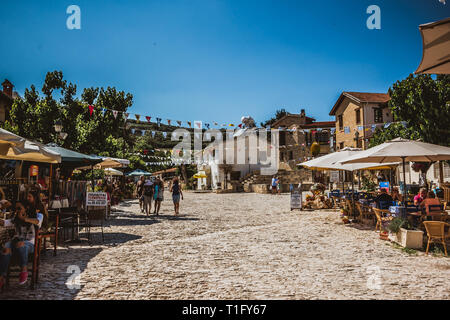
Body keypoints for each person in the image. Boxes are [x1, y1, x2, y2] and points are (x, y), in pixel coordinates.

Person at [0, 200, 44, 289]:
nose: (17, 210)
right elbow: (5, 223)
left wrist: (24, 219)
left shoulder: (38, 215)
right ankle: (1, 277)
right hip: (15, 242)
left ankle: (24, 269)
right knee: (5, 249)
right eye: (16, 209)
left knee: (21, 244)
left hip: (29, 244)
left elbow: (37, 222)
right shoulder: (15, 218)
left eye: (19, 208)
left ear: (26, 208)